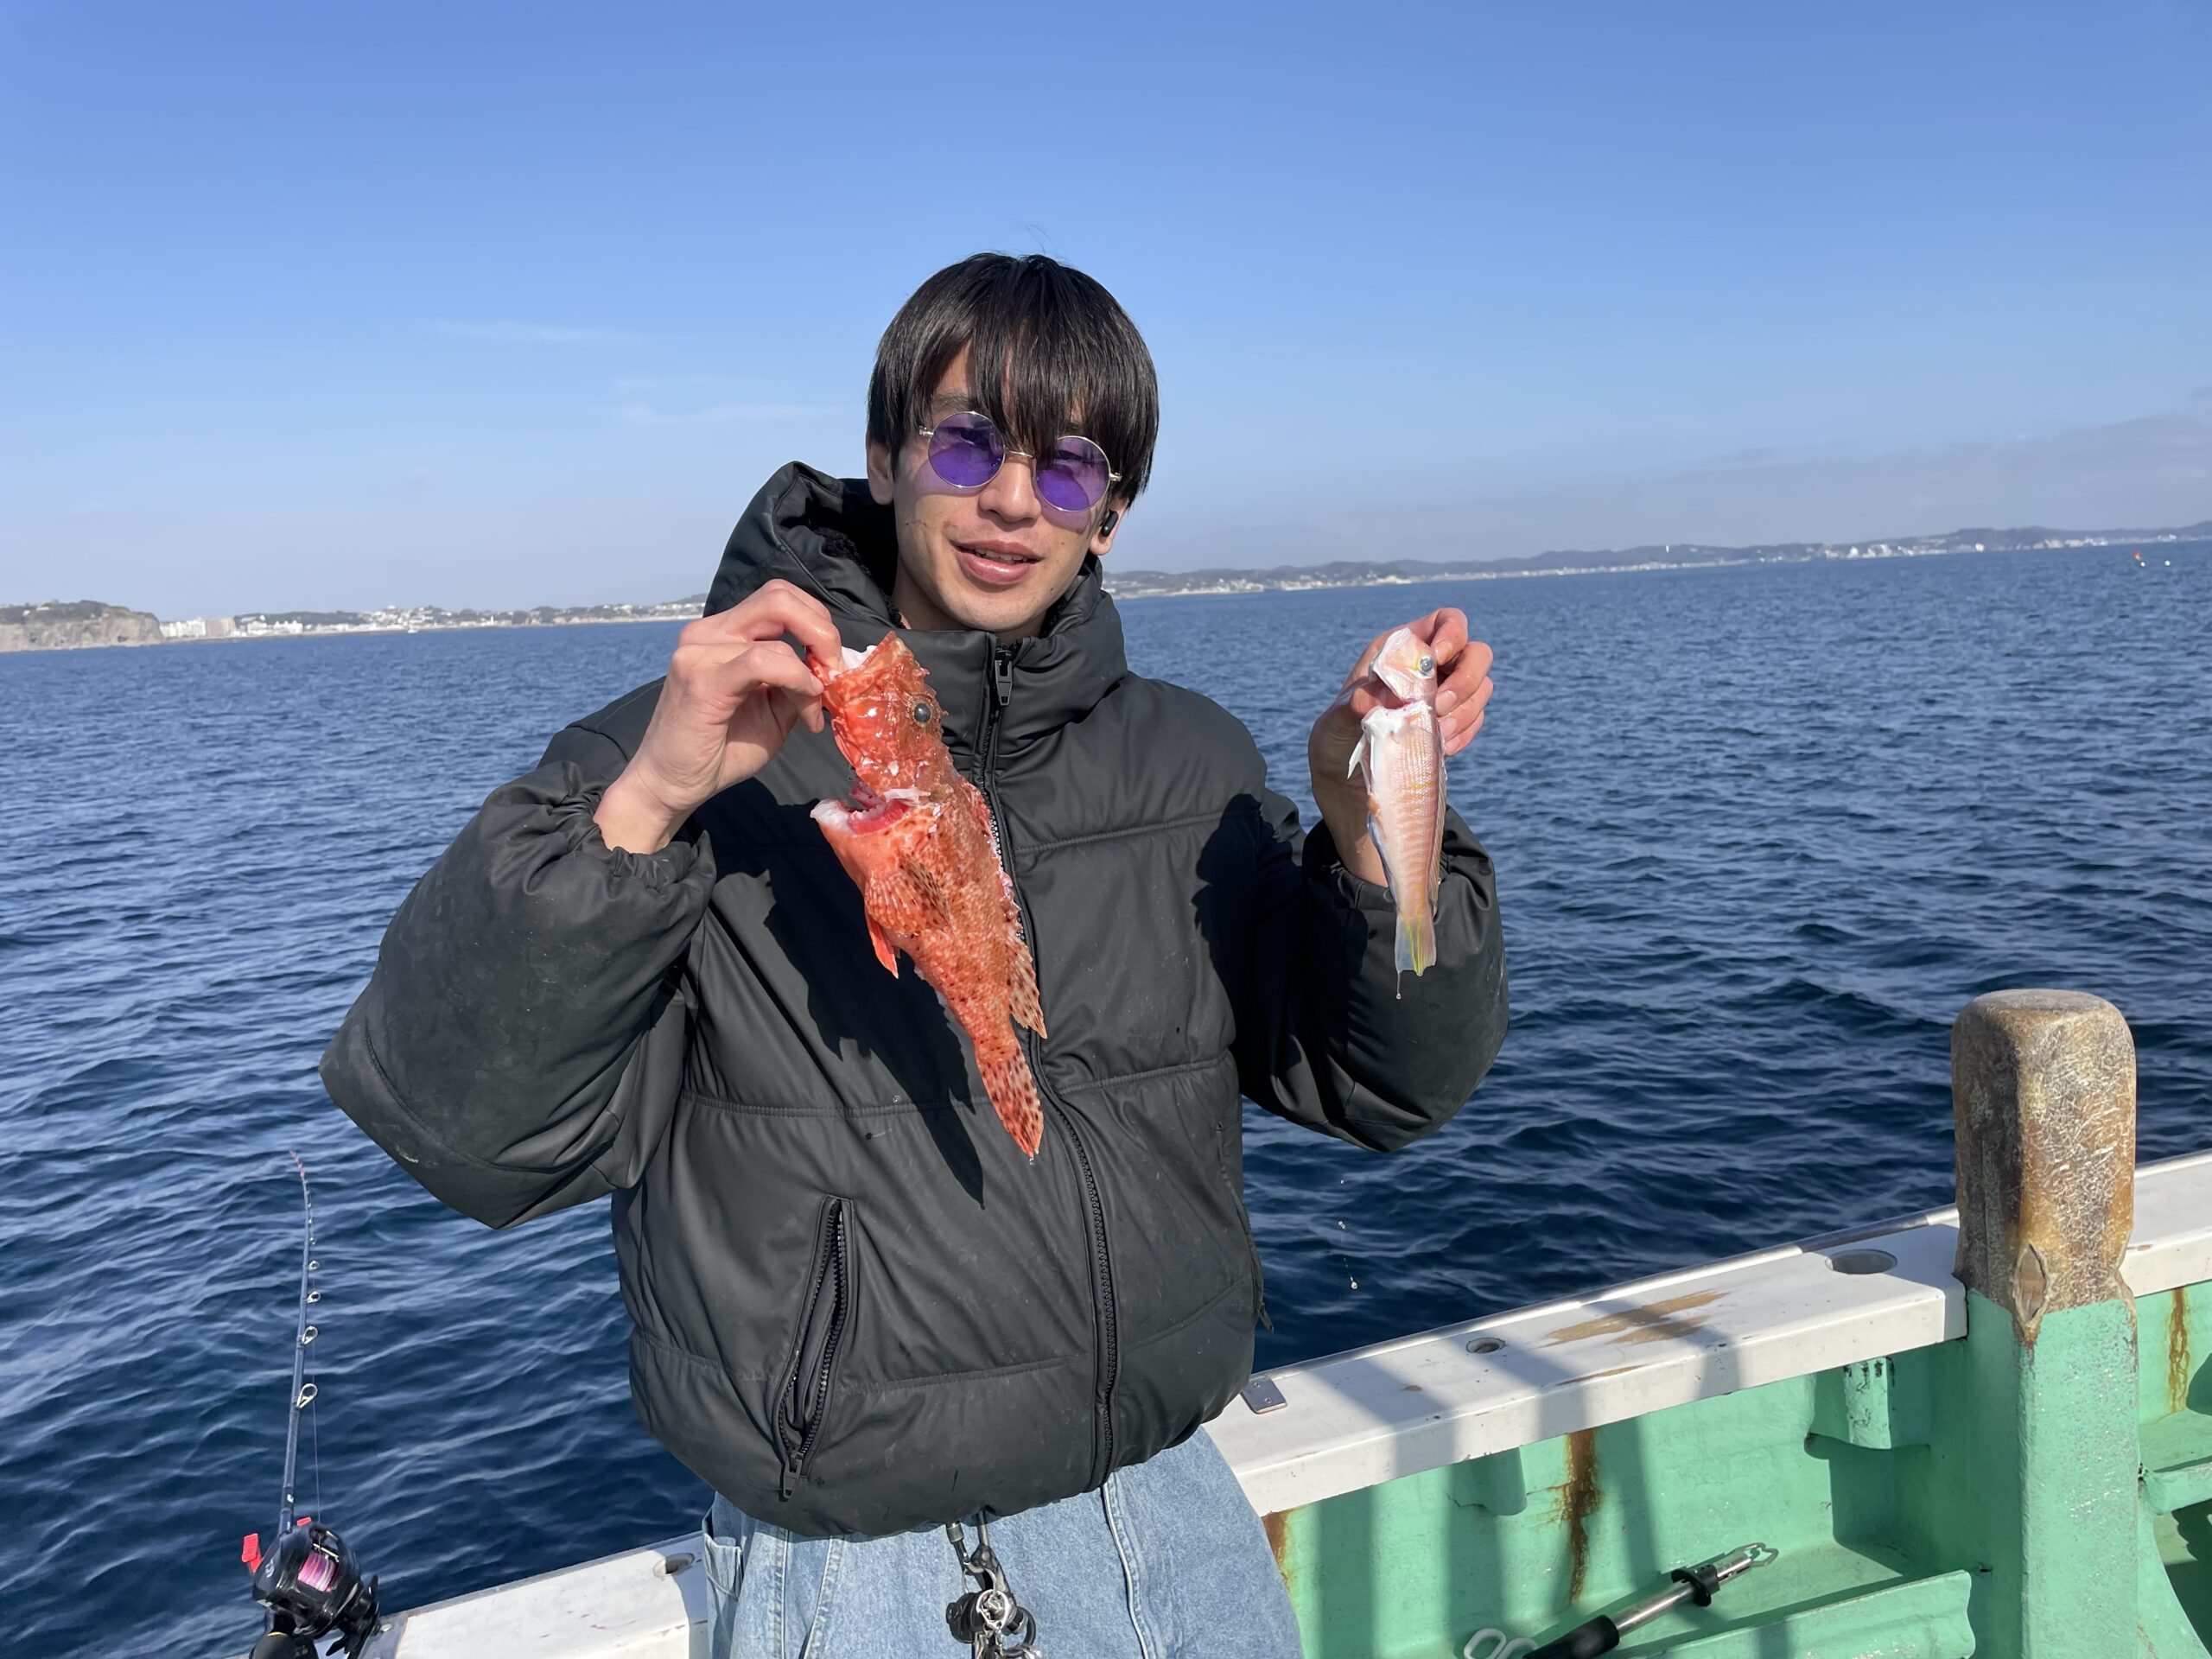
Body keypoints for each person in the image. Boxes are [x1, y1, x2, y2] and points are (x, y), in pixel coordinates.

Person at [322, 252, 1508, 1657]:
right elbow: (470, 1131)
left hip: (1179, 1506)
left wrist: (1366, 825)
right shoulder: (688, 752)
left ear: (1112, 513)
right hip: (856, 1566)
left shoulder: (1191, 760)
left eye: (1070, 466)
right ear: (883, 459)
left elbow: (1383, 1085)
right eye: (966, 443)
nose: (1013, 499)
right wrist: (645, 806)